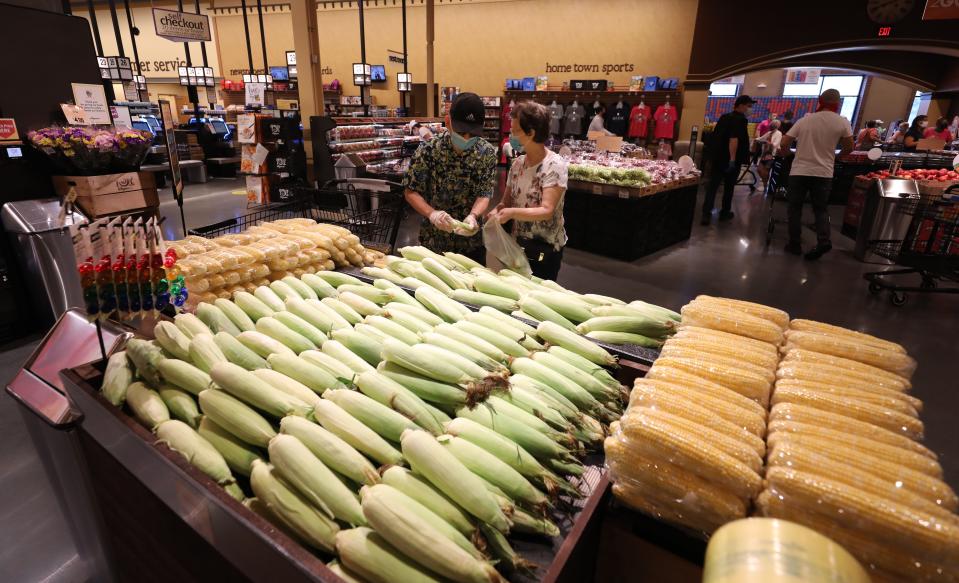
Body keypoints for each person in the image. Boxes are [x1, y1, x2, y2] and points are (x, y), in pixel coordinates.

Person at [402, 92, 497, 263]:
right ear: (448, 122)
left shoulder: (487, 152)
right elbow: (411, 191)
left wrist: (473, 216)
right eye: (461, 132)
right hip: (434, 243)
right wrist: (432, 214)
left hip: (471, 243)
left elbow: (484, 193)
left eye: (473, 133)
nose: (466, 138)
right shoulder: (428, 150)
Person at [487, 101, 569, 279]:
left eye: (515, 131)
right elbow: (506, 202)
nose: (511, 136)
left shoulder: (554, 165)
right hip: (516, 247)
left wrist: (511, 213)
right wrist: (496, 211)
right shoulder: (517, 164)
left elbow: (546, 211)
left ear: (531, 133)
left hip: (544, 249)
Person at [778, 88, 853, 261]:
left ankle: (795, 244)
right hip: (824, 172)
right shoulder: (842, 122)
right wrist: (836, 157)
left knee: (794, 208)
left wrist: (789, 153)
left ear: (820, 101)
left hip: (799, 171)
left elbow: (784, 142)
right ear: (837, 103)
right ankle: (823, 240)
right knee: (820, 209)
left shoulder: (806, 120)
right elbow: (849, 147)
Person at [702, 94, 754, 225]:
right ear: (741, 105)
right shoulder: (740, 120)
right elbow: (734, 139)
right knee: (729, 187)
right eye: (749, 106)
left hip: (717, 158)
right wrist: (732, 159)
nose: (750, 109)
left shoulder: (724, 117)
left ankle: (706, 214)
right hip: (731, 160)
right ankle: (725, 212)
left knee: (712, 186)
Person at [755, 119, 782, 185]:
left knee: (766, 171)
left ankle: (765, 185)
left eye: (773, 125)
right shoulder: (769, 133)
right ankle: (765, 182)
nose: (771, 126)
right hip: (765, 154)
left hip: (772, 154)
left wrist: (767, 142)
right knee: (759, 170)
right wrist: (756, 140)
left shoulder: (778, 133)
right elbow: (761, 138)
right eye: (771, 124)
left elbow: (775, 144)